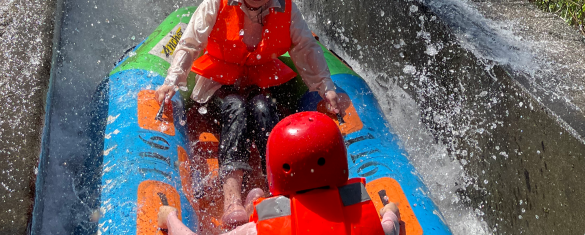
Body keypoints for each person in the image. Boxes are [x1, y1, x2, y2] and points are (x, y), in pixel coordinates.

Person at [155, 0, 344, 228]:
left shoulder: (285, 7)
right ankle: (232, 195)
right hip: (218, 82)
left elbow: (305, 47)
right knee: (236, 108)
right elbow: (191, 43)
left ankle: (271, 188)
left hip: (260, 78)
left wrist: (325, 86)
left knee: (263, 106)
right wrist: (172, 81)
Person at [157, 111, 405, 235]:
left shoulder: (262, 229)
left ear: (279, 171)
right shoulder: (363, 217)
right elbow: (390, 225)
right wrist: (390, 211)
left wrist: (170, 219)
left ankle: (255, 201)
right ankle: (254, 199)